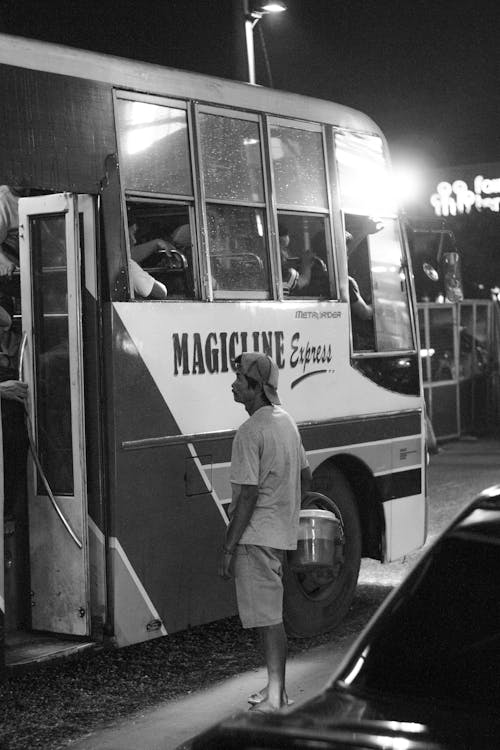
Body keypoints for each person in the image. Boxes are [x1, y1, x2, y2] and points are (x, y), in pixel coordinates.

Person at [219, 352, 312, 712]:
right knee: (267, 618)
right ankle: (275, 688)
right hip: (278, 535)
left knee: (269, 621)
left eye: (240, 378)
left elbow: (247, 497)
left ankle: (277, 696)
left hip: (255, 539)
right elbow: (307, 477)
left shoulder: (250, 431)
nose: (233, 383)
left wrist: (228, 548)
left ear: (256, 388)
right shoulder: (286, 422)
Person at [127, 219, 172, 300]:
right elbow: (160, 292)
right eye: (132, 234)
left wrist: (157, 243)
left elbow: (132, 254)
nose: (134, 240)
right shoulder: (127, 264)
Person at [279, 224, 313, 296]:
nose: (287, 254)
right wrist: (306, 264)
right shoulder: (287, 275)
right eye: (283, 248)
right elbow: (304, 280)